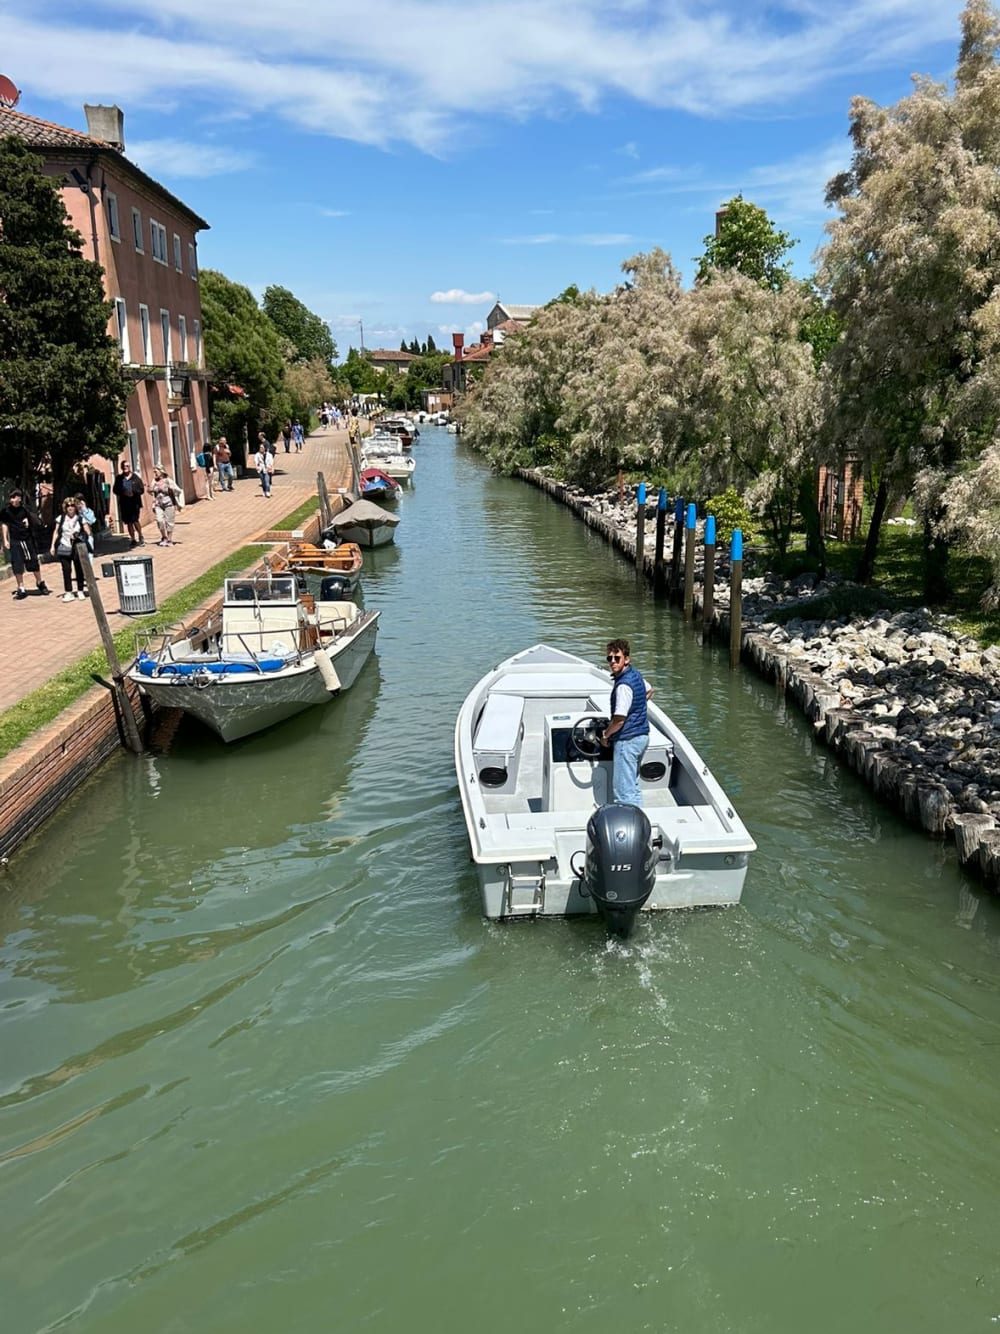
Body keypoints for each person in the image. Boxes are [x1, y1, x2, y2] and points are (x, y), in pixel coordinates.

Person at [600, 639, 653, 807]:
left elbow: (619, 719)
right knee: (634, 786)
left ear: (627, 659)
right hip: (642, 737)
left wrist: (605, 735)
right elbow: (649, 690)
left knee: (623, 792)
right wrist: (636, 709)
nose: (613, 662)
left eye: (617, 658)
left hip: (627, 741)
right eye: (610, 659)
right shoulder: (635, 675)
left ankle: (629, 828)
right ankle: (639, 819)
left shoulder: (623, 686)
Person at [1, 488, 51, 599]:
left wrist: (29, 521)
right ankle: (21, 587)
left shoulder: (25, 509)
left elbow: (36, 521)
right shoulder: (6, 511)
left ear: (19, 498)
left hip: (27, 539)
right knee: (17, 564)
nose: (12, 500)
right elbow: (4, 524)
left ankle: (40, 582)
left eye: (14, 497)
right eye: (11, 498)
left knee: (33, 561)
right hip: (15, 540)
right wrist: (5, 539)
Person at [50, 497, 90, 601]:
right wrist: (52, 546)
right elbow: (56, 532)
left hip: (77, 547)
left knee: (79, 569)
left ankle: (80, 590)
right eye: (68, 506)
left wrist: (78, 534)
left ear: (76, 507)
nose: (70, 508)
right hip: (64, 546)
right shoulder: (61, 518)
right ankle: (68, 592)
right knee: (66, 570)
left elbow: (88, 532)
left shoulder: (81, 518)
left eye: (72, 506)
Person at [112, 460, 145, 547]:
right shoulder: (119, 478)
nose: (125, 467)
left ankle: (140, 536)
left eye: (127, 466)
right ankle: (133, 539)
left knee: (135, 520)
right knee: (128, 522)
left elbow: (141, 490)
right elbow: (115, 490)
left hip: (134, 503)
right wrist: (123, 492)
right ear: (121, 467)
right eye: (124, 466)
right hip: (124, 503)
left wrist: (132, 492)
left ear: (130, 467)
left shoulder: (135, 478)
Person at [150, 467, 183, 545]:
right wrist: (151, 489)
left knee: (169, 521)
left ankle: (169, 539)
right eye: (154, 472)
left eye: (156, 472)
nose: (155, 474)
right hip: (158, 504)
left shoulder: (168, 481)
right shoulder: (154, 481)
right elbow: (150, 491)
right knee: (159, 520)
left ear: (161, 472)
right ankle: (164, 537)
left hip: (169, 503)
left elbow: (178, 490)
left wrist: (169, 489)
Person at [74, 493, 100, 579]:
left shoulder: (88, 511)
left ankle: (88, 574)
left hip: (87, 535)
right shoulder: (73, 513)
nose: (78, 505)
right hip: (77, 536)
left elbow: (92, 521)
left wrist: (84, 509)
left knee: (89, 554)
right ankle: (81, 574)